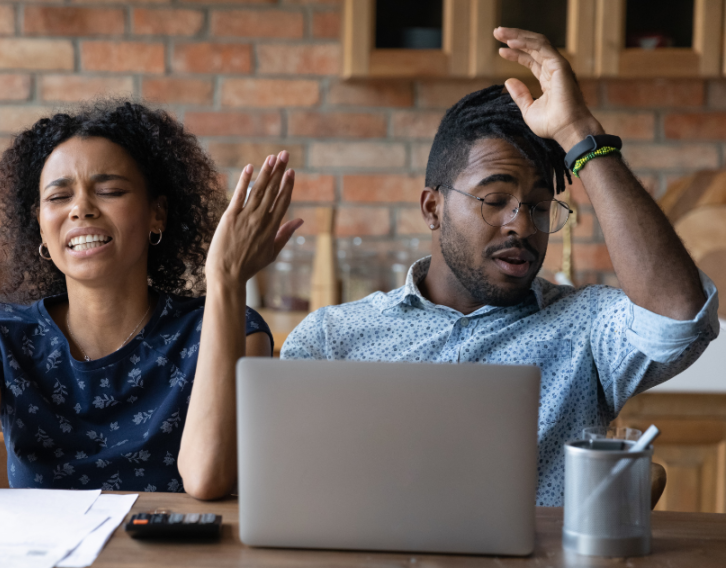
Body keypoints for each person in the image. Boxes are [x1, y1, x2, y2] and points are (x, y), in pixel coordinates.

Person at [281, 28, 720, 506]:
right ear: (433, 208)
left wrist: (580, 135)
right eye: (495, 200)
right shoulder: (332, 337)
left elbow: (679, 313)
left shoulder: (586, 327)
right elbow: (287, 485)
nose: (522, 225)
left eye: (537, 206)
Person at [0, 100, 302, 499]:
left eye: (110, 190)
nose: (81, 209)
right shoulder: (0, 338)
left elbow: (208, 478)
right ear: (41, 226)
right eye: (59, 197)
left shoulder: (231, 329)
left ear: (158, 213)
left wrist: (226, 279)